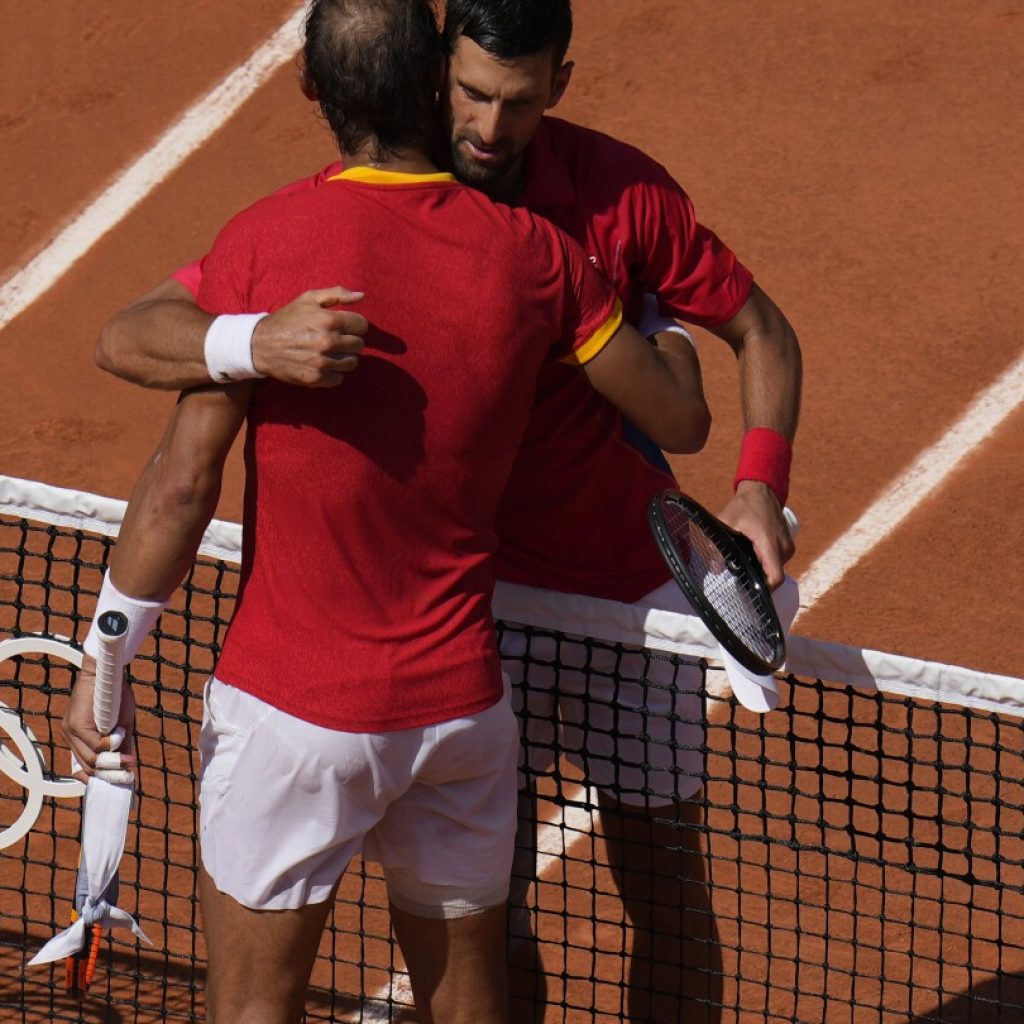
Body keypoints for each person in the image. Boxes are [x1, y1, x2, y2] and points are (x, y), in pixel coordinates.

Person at [93, 1, 802, 1019]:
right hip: (480, 617)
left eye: (516, 103)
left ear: (557, 85)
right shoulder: (411, 233)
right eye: (470, 93)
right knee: (489, 926)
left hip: (625, 599)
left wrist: (761, 484)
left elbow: (757, 335)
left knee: (663, 884)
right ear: (434, 76)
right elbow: (147, 329)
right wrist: (254, 340)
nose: (487, 126)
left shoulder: (620, 201)